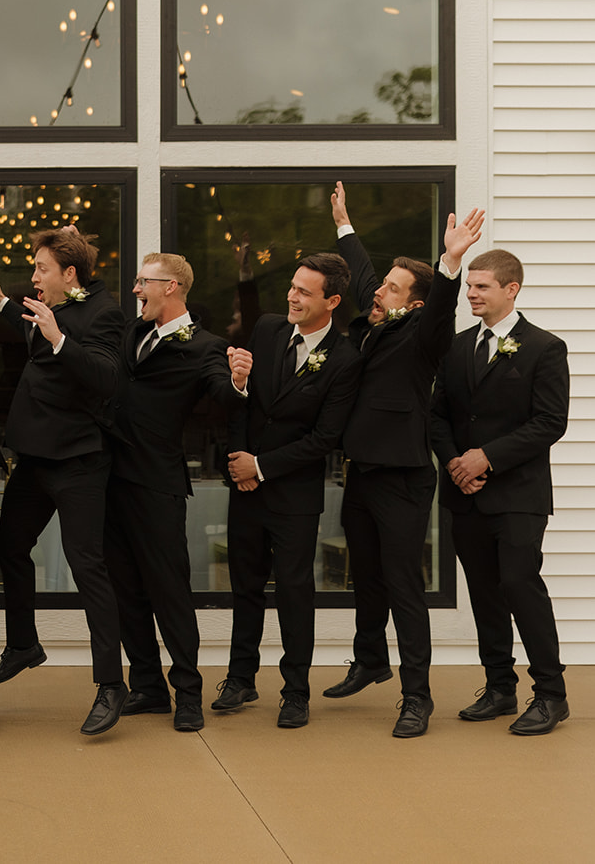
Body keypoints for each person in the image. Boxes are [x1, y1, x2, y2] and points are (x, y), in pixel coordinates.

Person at [325, 181, 483, 738]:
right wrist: (345, 225)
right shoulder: (377, 321)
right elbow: (366, 276)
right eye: (383, 285)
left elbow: (441, 306)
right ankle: (370, 660)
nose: (378, 292)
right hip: (361, 473)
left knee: (402, 586)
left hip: (403, 480)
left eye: (392, 289)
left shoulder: (424, 335)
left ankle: (417, 696)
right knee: (363, 577)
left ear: (413, 302)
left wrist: (450, 261)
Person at [0, 228, 127, 736]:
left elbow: (106, 376)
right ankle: (23, 644)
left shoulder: (105, 313)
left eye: (40, 269)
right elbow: (31, 333)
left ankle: (110, 685)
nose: (33, 278)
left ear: (69, 275)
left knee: (88, 569)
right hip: (35, 459)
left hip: (80, 461)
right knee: (11, 545)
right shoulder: (43, 306)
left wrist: (61, 338)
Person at [218, 254, 362, 729]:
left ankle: (295, 691)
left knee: (296, 592)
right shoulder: (267, 329)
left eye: (304, 291)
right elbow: (243, 403)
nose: (292, 296)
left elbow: (326, 439)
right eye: (292, 287)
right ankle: (240, 678)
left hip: (294, 495)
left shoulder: (344, 359)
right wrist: (239, 459)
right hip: (246, 489)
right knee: (245, 586)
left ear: (332, 301)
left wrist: (259, 466)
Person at [431, 249, 571, 735]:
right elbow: (439, 414)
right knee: (484, 592)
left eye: (481, 286)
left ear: (512, 289)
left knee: (518, 584)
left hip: (519, 494)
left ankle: (551, 694)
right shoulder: (456, 346)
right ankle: (499, 687)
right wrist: (455, 462)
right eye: (469, 286)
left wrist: (486, 457)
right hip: (464, 492)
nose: (471, 294)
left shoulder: (544, 348)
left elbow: (551, 422)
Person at [103, 253, 242, 733]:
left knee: (169, 591)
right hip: (110, 480)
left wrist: (240, 382)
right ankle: (147, 686)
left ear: (172, 287)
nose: (136, 289)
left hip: (158, 484)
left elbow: (224, 398)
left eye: (144, 281)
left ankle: (188, 693)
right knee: (126, 592)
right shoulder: (130, 333)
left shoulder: (207, 346)